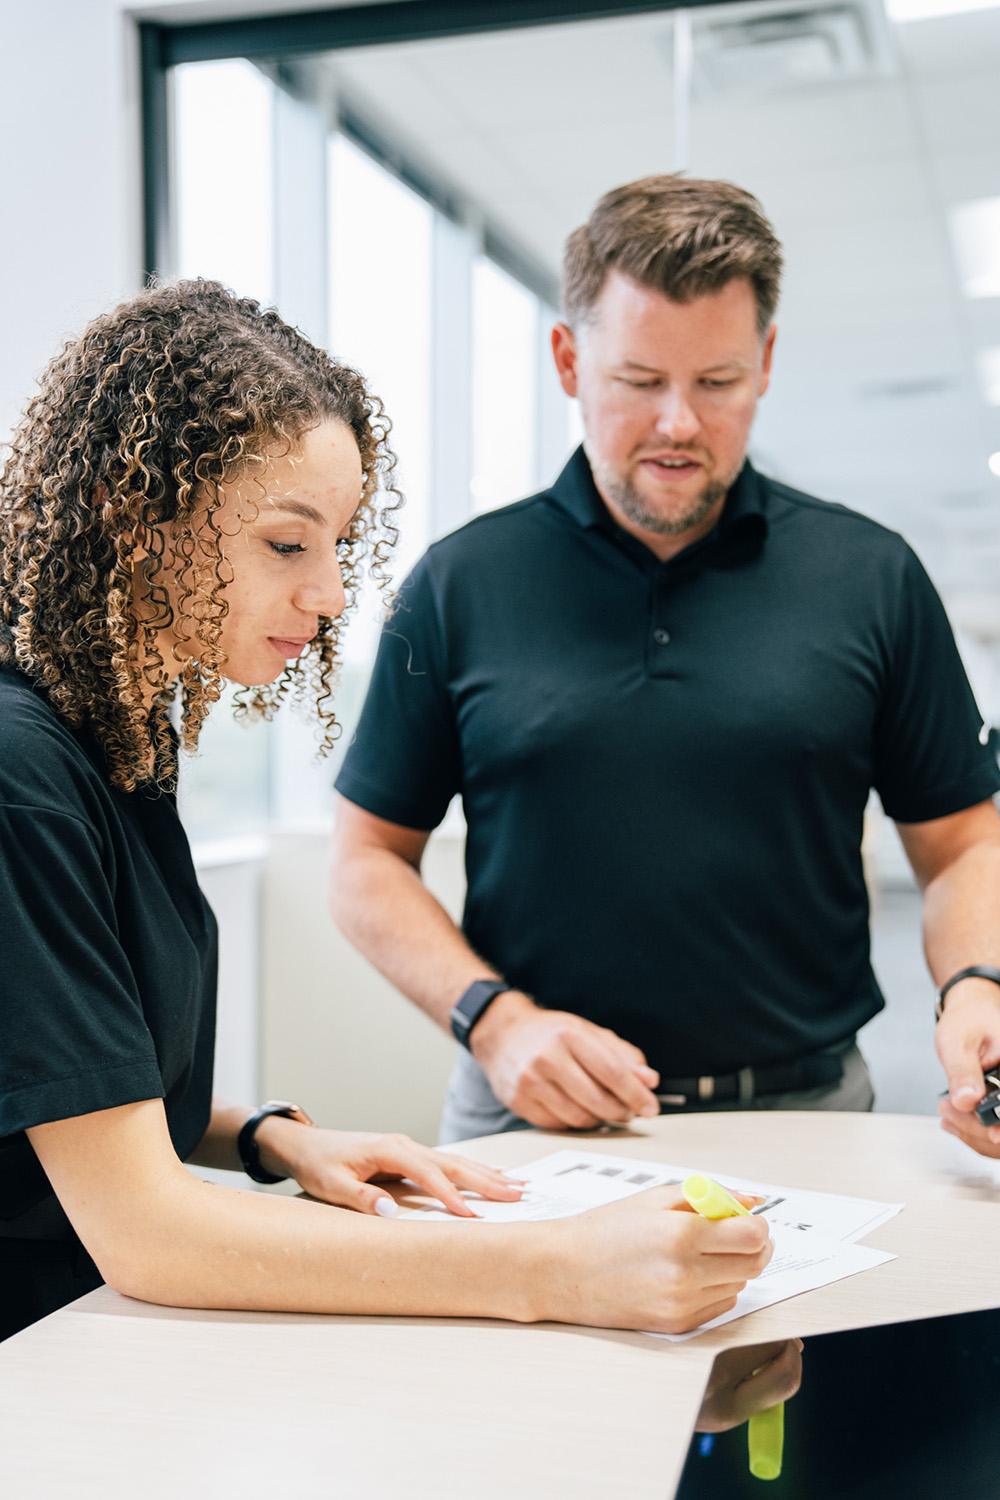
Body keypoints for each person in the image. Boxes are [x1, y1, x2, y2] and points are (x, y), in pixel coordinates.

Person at [0, 280, 773, 1342]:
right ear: (130, 518)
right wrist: (552, 1269)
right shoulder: (18, 769)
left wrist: (268, 1137)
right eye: (286, 543)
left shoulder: (119, 743)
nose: (328, 596)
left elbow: (63, 1101)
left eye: (338, 546)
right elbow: (144, 1231)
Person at [330, 175, 1000, 1157]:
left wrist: (975, 981)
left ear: (766, 362)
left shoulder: (873, 577)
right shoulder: (459, 583)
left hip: (803, 1112)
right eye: (639, 381)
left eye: (716, 382)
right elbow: (362, 862)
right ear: (568, 360)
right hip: (530, 1113)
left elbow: (961, 848)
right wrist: (494, 1019)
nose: (678, 423)